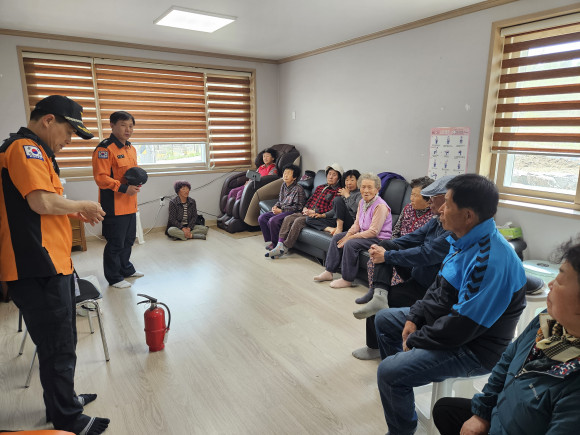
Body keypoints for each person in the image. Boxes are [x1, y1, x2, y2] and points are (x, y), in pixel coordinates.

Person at [375, 174, 527, 435]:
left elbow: (462, 327)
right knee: (385, 320)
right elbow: (437, 288)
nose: (439, 209)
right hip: (449, 324)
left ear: (468, 215)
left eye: (446, 203)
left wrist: (417, 338)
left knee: (389, 371)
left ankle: (401, 427)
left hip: (474, 348)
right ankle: (404, 383)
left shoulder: (489, 261)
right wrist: (414, 316)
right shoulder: (461, 239)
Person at [0, 95, 109, 434]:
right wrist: (82, 204)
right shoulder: (25, 149)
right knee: (58, 347)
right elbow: (40, 202)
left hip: (50, 264)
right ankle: (67, 419)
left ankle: (63, 401)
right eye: (69, 131)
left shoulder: (34, 151)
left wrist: (72, 212)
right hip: (37, 267)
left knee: (62, 342)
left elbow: (38, 206)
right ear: (48, 120)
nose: (69, 140)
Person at [433, 236, 580, 435]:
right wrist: (482, 413)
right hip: (501, 414)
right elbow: (507, 360)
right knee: (445, 410)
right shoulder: (549, 322)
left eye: (560, 280)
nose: (551, 283)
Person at [351, 176, 452, 361]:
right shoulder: (436, 220)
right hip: (417, 277)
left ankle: (380, 298)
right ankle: (379, 294)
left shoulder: (452, 230)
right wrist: (383, 248)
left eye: (433, 197)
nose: (429, 201)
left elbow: (427, 253)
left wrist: (387, 255)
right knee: (386, 246)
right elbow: (412, 238)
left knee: (388, 254)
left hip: (429, 288)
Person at [359, 175, 436, 306]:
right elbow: (396, 231)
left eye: (415, 196)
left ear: (428, 199)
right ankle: (375, 291)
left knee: (390, 260)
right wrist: (391, 246)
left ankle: (388, 296)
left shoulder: (433, 217)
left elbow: (425, 246)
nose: (411, 198)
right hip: (400, 245)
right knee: (379, 251)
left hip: (414, 254)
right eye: (411, 194)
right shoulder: (408, 208)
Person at [92, 111, 143, 289]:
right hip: (114, 205)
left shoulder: (131, 148)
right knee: (115, 243)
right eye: (123, 125)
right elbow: (101, 178)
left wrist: (137, 183)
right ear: (112, 125)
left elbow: (132, 174)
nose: (128, 129)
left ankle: (126, 269)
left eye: (131, 126)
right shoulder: (104, 149)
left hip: (130, 203)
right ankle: (114, 278)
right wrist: (123, 188)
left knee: (128, 240)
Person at [313, 173, 392, 289]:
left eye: (370, 187)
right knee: (337, 237)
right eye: (363, 187)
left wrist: (350, 238)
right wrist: (348, 234)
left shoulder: (380, 206)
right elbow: (357, 224)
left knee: (350, 244)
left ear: (377, 189)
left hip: (378, 238)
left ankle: (347, 279)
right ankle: (329, 271)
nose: (366, 190)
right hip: (364, 233)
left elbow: (373, 232)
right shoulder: (362, 202)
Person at [266, 163, 342, 259]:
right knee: (288, 218)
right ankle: (279, 244)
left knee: (298, 221)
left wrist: (315, 211)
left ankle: (285, 247)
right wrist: (305, 208)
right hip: (307, 212)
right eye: (329, 174)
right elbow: (310, 199)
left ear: (338, 178)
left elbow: (331, 208)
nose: (330, 177)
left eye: (334, 175)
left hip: (318, 216)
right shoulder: (320, 187)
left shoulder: (338, 191)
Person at [258, 164, 305, 249]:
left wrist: (282, 210)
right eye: (284, 173)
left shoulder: (298, 189)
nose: (285, 175)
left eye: (288, 173)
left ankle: (276, 244)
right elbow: (280, 200)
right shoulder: (283, 185)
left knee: (273, 220)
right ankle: (272, 239)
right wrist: (275, 206)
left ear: (294, 177)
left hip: (292, 212)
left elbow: (298, 207)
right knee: (262, 218)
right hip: (282, 209)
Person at [317, 169, 361, 235]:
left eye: (352, 180)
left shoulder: (360, 194)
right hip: (337, 220)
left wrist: (347, 195)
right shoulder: (345, 192)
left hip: (350, 223)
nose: (349, 183)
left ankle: (339, 229)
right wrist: (322, 215)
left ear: (358, 181)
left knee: (337, 199)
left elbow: (356, 209)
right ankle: (330, 229)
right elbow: (336, 209)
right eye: (347, 180)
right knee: (310, 219)